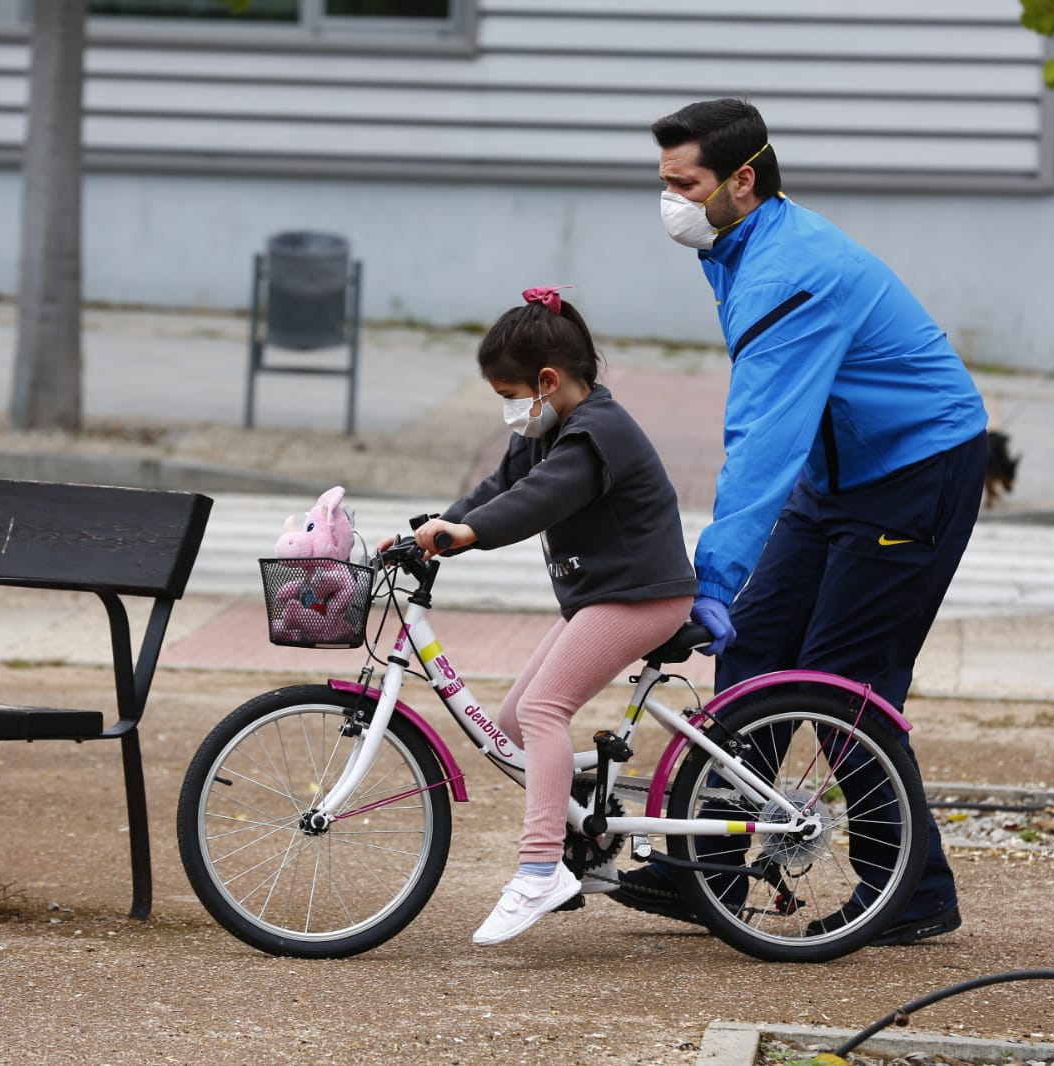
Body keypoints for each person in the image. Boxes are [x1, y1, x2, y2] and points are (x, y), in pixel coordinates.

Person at [609, 97, 989, 947]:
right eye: (663, 182)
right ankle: (708, 867)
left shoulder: (791, 272)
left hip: (914, 471)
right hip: (840, 474)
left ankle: (914, 891)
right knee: (753, 648)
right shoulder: (736, 241)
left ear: (742, 181)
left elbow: (760, 438)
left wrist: (711, 575)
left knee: (839, 682)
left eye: (684, 183)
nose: (668, 201)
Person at [403, 286, 697, 947]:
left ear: (547, 380)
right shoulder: (549, 426)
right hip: (606, 595)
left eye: (509, 393)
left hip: (643, 596)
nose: (509, 410)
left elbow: (536, 500)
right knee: (513, 721)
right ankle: (583, 848)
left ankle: (539, 869)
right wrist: (436, 524)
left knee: (541, 714)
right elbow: (497, 488)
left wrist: (469, 535)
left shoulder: (599, 433)